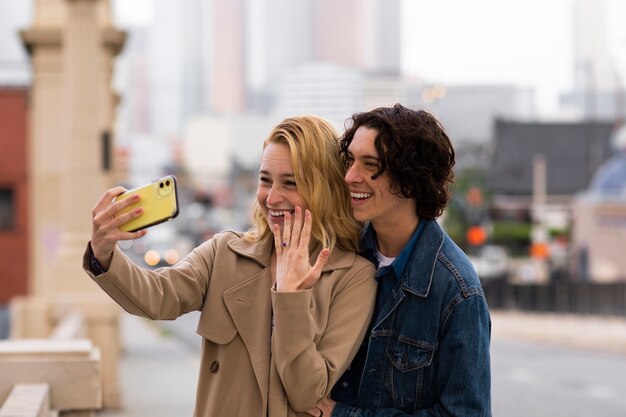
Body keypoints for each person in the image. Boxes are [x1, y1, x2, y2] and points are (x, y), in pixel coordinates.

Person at [83, 115, 377, 417]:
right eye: (265, 180)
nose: (272, 197)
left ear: (325, 188)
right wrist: (103, 252)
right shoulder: (225, 253)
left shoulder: (354, 278)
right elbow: (157, 297)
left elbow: (305, 393)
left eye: (291, 183)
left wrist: (291, 299)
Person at [313, 104, 492, 416]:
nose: (350, 176)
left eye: (370, 165)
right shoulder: (339, 255)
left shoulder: (457, 291)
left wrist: (342, 416)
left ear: (410, 179)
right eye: (350, 161)